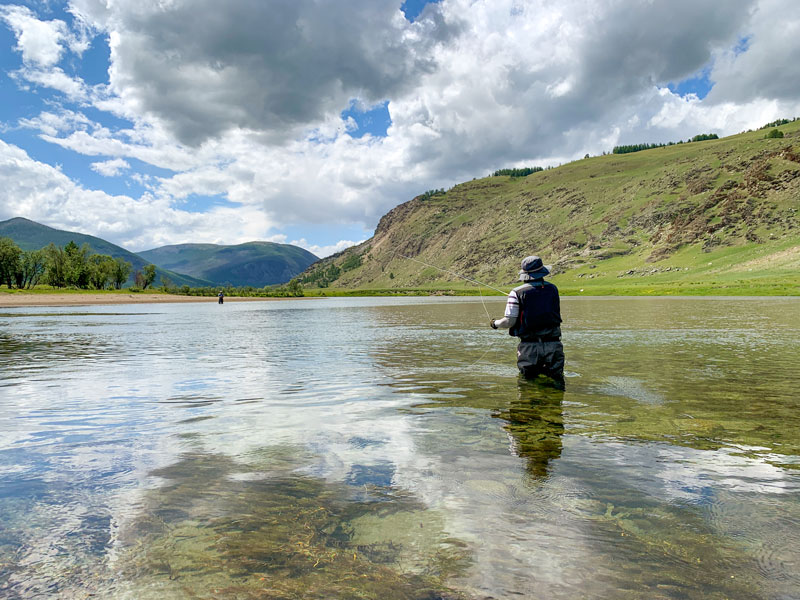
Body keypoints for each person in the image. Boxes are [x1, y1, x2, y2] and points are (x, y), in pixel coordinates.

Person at [490, 255, 565, 388]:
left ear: (524, 274)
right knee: (556, 382)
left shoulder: (516, 293)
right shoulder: (553, 289)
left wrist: (494, 323)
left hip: (529, 348)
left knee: (528, 384)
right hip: (554, 345)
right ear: (542, 272)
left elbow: (509, 322)